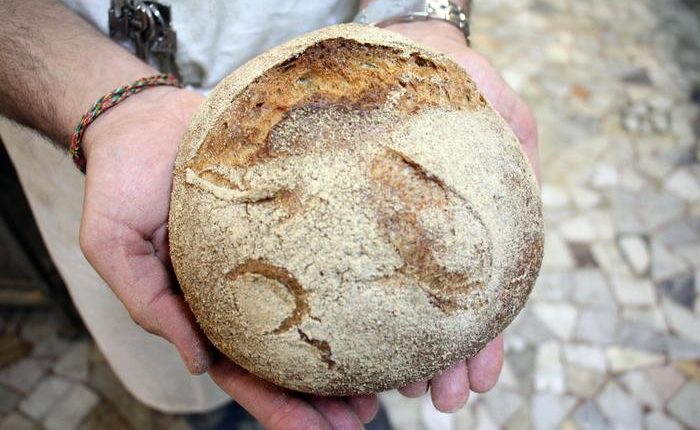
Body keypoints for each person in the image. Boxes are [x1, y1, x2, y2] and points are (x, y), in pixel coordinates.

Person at [0, 0, 538, 428]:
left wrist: (422, 14)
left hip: (358, 35)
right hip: (86, 130)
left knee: (338, 386)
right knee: (194, 361)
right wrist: (105, 107)